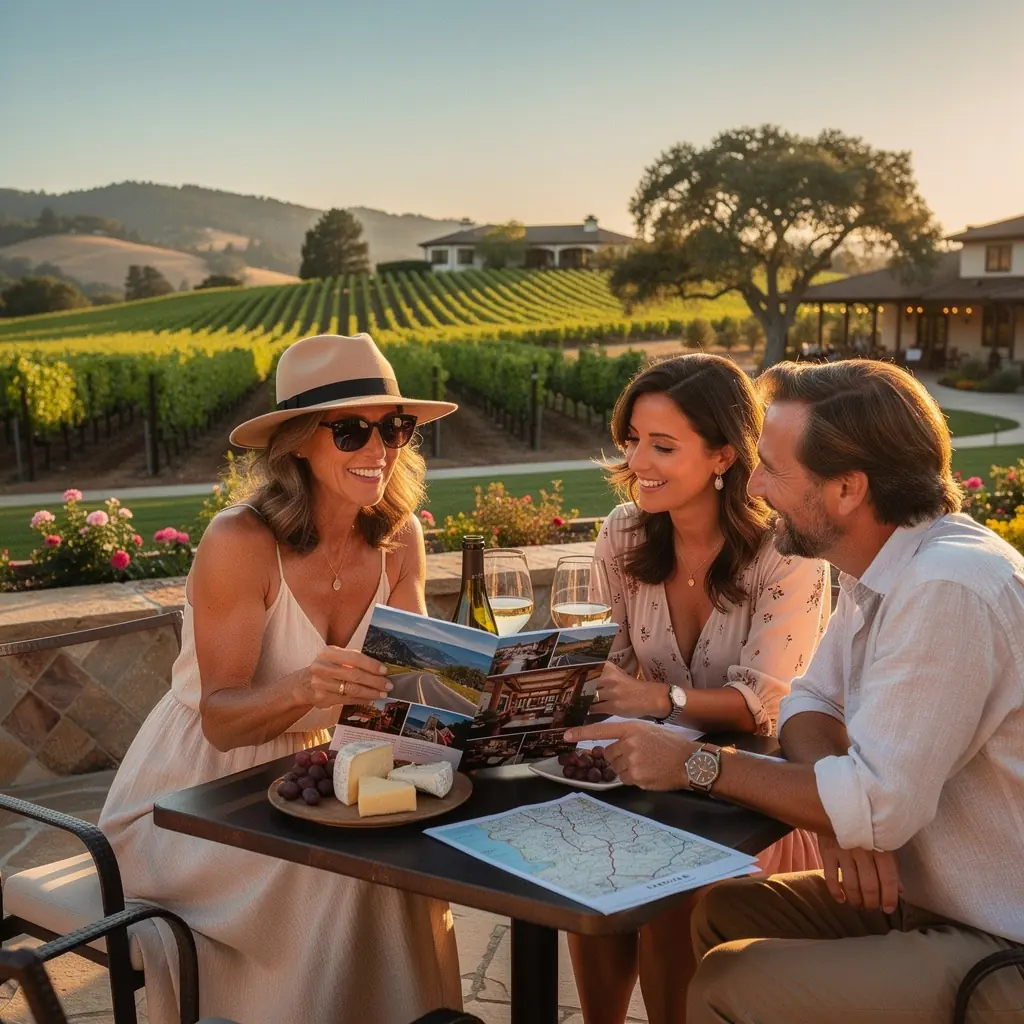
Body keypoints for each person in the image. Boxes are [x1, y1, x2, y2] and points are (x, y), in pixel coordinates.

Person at [567, 359, 1024, 1023]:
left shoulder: (948, 588)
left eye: (774, 468)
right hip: (922, 896)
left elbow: (877, 805)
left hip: (997, 940)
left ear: (846, 489)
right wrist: (837, 808)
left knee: (730, 979)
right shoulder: (883, 573)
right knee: (725, 913)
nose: (754, 483)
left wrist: (696, 764)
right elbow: (810, 703)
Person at [99, 334, 462, 1024]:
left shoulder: (400, 535)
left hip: (323, 773)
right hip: (198, 793)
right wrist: (304, 689)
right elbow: (221, 717)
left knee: (406, 865)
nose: (379, 448)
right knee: (343, 876)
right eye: (352, 430)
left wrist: (489, 688)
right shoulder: (239, 541)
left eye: (395, 426)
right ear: (297, 441)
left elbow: (415, 674)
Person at [568, 354, 830, 1024]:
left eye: (662, 445)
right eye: (631, 440)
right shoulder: (622, 533)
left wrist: (658, 702)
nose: (637, 461)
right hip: (639, 773)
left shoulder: (786, 550)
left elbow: (763, 703)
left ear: (721, 456)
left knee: (667, 896)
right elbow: (610, 672)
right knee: (582, 873)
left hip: (744, 789)